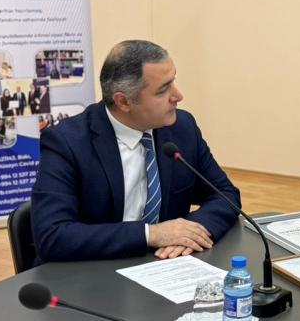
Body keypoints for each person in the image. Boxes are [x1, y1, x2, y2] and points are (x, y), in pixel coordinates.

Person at [31, 40, 240, 263]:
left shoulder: (182, 128)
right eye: (163, 90)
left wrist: (190, 231)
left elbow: (225, 194)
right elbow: (53, 236)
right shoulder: (67, 143)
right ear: (123, 101)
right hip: (90, 270)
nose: (178, 96)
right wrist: (151, 234)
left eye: (173, 81)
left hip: (163, 266)